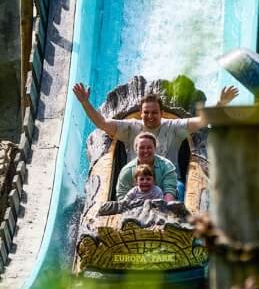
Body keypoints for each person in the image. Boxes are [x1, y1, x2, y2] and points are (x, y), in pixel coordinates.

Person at [72, 83, 239, 168]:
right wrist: (84, 102)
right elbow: (101, 123)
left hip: (168, 187)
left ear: (161, 113)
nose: (150, 116)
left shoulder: (173, 127)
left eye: (154, 113)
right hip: (137, 185)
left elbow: (203, 120)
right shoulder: (130, 128)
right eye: (146, 113)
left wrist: (221, 102)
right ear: (141, 113)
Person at [116, 132, 178, 202]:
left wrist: (165, 209)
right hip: (134, 207)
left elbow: (169, 191)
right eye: (142, 148)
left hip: (160, 203)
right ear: (136, 149)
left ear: (155, 148)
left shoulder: (167, 165)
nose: (146, 151)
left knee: (180, 188)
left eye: (149, 147)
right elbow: (122, 196)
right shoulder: (127, 171)